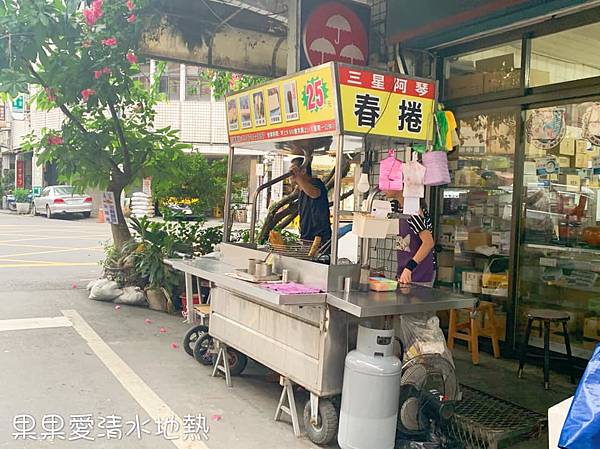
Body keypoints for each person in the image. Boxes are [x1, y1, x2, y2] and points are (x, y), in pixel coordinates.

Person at [386, 190, 435, 286]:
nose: (383, 187)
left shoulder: (413, 211)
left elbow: (428, 243)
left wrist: (409, 268)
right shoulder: (397, 207)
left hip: (419, 273)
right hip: (404, 271)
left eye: (389, 181)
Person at [290, 157, 332, 245]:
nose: (291, 174)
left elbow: (314, 193)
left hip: (319, 239)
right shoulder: (302, 190)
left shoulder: (316, 183)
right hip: (306, 238)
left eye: (293, 170)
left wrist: (298, 177)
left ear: (303, 171)